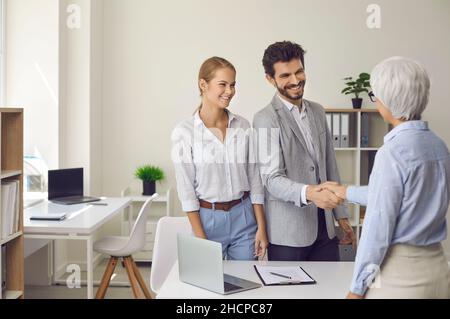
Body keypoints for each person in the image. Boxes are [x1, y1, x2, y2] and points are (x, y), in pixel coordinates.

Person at [323, 56, 450, 299]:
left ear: (388, 99)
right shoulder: (439, 146)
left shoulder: (391, 152)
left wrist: (357, 289)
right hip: (438, 270)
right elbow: (404, 196)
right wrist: (346, 191)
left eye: (375, 95)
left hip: (401, 278)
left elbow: (376, 230)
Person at [252, 41, 355, 262]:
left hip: (325, 227)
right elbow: (271, 179)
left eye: (299, 71)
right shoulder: (265, 119)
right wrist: (310, 193)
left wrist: (342, 215)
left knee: (328, 293)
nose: (295, 80)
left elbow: (330, 165)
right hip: (289, 233)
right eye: (285, 75)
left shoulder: (317, 111)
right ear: (270, 79)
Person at [171, 56, 269, 260]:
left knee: (246, 284)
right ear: (203, 84)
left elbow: (255, 180)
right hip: (207, 220)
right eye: (222, 84)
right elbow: (186, 192)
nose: (230, 91)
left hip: (244, 217)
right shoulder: (185, 132)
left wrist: (261, 227)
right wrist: (200, 238)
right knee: (208, 288)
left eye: (233, 85)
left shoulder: (243, 126)